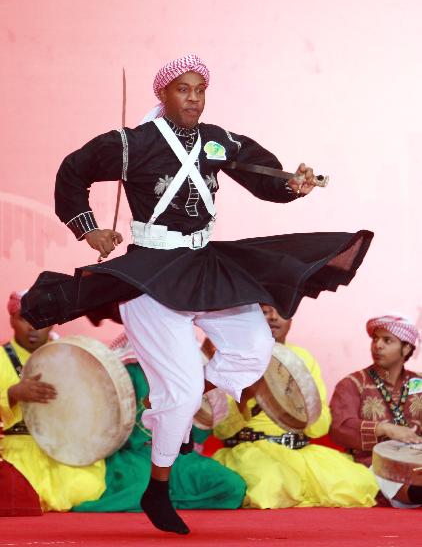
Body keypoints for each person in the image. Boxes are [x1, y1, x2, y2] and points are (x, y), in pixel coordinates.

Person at [21, 53, 373, 533]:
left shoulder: (218, 141)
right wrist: (90, 231)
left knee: (252, 352)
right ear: (162, 94)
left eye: (200, 89)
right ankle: (158, 487)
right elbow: (71, 172)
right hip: (150, 272)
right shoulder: (131, 143)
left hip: (205, 266)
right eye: (183, 89)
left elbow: (262, 176)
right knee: (183, 394)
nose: (193, 97)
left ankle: (174, 401)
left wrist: (293, 185)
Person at [212, 305, 378, 508]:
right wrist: (246, 398)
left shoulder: (304, 358)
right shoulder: (234, 359)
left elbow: (320, 428)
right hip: (250, 451)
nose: (273, 317)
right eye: (264, 311)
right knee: (269, 486)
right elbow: (220, 429)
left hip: (298, 451)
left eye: (281, 311)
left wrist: (297, 402)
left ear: (291, 320)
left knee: (356, 484)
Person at [73, 333, 246, 512]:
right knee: (137, 492)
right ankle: (164, 501)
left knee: (232, 487)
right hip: (136, 455)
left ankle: (170, 503)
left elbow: (203, 427)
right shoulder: (124, 371)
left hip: (181, 458)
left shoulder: (189, 373)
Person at [0, 291, 106, 512]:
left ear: (53, 324)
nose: (32, 327)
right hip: (19, 450)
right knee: (21, 490)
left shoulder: (72, 358)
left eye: (41, 319)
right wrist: (13, 394)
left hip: (62, 449)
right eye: (24, 318)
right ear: (11, 319)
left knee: (86, 487)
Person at [330, 314, 422, 507]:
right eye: (375, 339)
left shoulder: (418, 383)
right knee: (380, 472)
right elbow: (339, 427)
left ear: (406, 349)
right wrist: (384, 429)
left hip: (416, 458)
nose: (377, 345)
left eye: (387, 340)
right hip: (370, 461)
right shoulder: (353, 384)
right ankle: (414, 494)